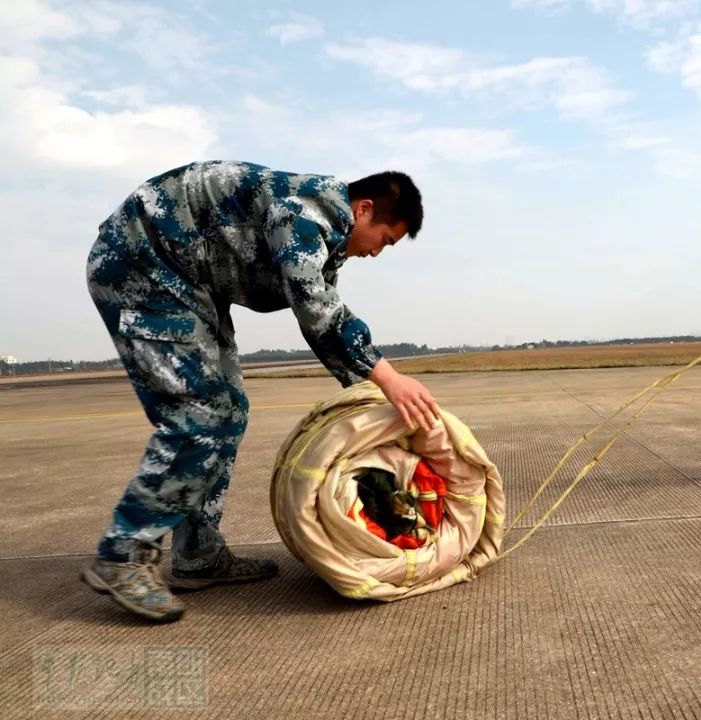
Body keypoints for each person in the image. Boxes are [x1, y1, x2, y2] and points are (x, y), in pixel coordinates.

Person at [82, 161, 440, 621]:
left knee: (227, 412)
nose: (376, 253)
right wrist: (389, 379)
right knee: (199, 414)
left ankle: (198, 555)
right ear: (364, 210)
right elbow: (318, 309)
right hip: (141, 265)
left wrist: (369, 397)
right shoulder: (306, 215)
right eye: (384, 241)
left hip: (189, 286)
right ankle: (123, 556)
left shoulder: (326, 240)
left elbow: (321, 324)